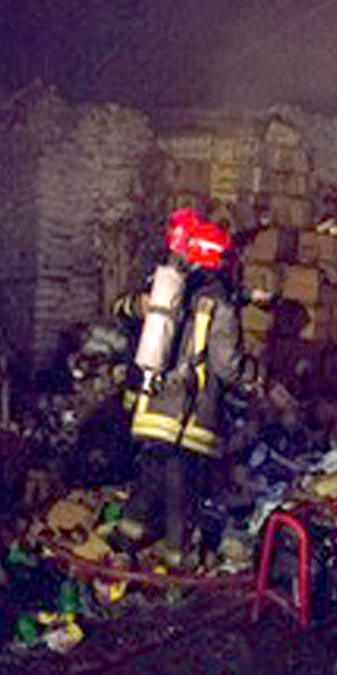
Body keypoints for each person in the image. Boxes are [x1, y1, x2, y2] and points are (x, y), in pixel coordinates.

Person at [122, 216, 259, 562]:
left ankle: (124, 541)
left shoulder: (171, 291)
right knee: (182, 489)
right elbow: (227, 366)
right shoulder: (221, 304)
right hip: (191, 413)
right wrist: (254, 375)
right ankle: (177, 558)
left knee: (149, 474)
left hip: (155, 406)